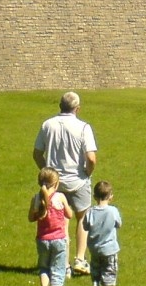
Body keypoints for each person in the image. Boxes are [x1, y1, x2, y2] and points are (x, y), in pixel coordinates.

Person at [33, 91, 98, 275]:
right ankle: (80, 259)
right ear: (77, 108)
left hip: (55, 183)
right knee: (82, 220)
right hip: (78, 180)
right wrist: (87, 172)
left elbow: (37, 154)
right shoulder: (83, 127)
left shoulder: (48, 125)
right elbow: (91, 158)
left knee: (61, 223)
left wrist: (47, 173)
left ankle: (64, 265)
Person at [28, 167, 73, 286]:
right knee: (58, 271)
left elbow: (31, 218)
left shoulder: (36, 198)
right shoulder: (60, 197)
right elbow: (70, 214)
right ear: (56, 183)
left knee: (44, 267)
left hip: (42, 240)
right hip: (59, 240)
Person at [83, 180, 121, 286]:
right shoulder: (112, 211)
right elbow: (119, 224)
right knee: (108, 269)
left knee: (95, 268)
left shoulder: (90, 211)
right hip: (109, 248)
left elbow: (85, 226)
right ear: (111, 197)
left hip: (95, 248)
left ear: (94, 197)